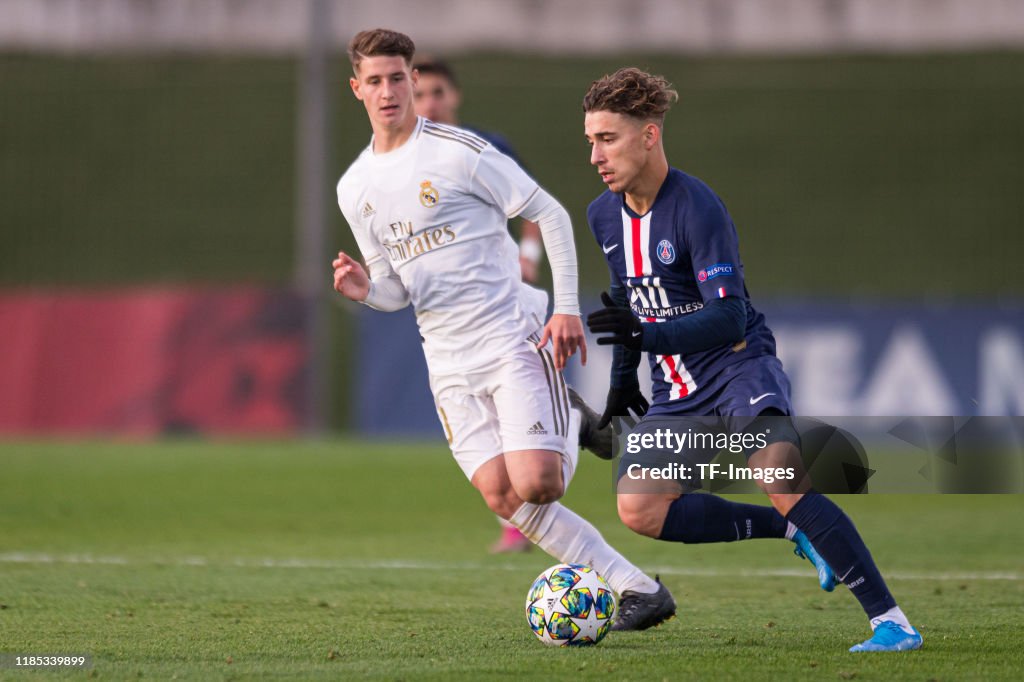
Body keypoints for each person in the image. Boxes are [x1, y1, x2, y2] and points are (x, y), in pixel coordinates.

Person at [333, 29, 675, 632]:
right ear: (356, 88)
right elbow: (395, 288)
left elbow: (550, 212)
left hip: (509, 336)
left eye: (398, 77)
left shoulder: (461, 151)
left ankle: (572, 418)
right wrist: (368, 291)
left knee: (539, 486)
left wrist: (564, 307)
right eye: (376, 80)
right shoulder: (354, 187)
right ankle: (638, 589)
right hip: (446, 361)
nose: (389, 91)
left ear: (413, 81)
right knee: (503, 497)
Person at [582, 67, 922, 652]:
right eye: (590, 140)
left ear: (649, 135)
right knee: (639, 507)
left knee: (781, 478)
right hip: (677, 390)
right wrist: (619, 388)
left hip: (739, 368)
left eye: (607, 138)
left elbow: (729, 316)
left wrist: (647, 339)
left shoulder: (697, 207)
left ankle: (891, 622)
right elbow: (625, 306)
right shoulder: (603, 215)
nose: (595, 155)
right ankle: (793, 530)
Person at [412, 56, 543, 554]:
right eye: (421, 94)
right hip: (447, 313)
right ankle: (520, 518)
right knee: (478, 425)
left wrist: (527, 259)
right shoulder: (401, 161)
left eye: (437, 92)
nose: (430, 103)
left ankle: (525, 516)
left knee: (510, 415)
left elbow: (534, 212)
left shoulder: (486, 148)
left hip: (500, 304)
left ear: (455, 96)